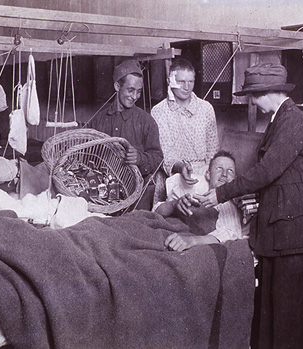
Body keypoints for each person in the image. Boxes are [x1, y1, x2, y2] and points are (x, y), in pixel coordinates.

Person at [196, 63, 303, 348]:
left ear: (267, 92)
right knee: (281, 302)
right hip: (283, 222)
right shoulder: (279, 119)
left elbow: (266, 171)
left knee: (297, 307)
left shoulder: (292, 120)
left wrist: (220, 193)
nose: (251, 101)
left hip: (299, 227)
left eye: (253, 95)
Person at [87, 59, 163, 210]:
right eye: (130, 90)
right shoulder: (97, 121)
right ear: (117, 86)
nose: (135, 96)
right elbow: (86, 157)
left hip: (137, 199)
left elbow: (158, 158)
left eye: (139, 91)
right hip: (103, 198)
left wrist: (140, 158)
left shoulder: (147, 122)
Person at [155, 150, 249, 252]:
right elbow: (156, 212)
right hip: (165, 232)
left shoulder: (228, 205)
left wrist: (191, 241)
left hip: (184, 243)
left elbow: (229, 234)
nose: (224, 174)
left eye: (230, 170)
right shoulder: (191, 193)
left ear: (235, 180)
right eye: (219, 168)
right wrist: (174, 205)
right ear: (208, 175)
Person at [151, 58, 219, 197]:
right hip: (172, 176)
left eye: (191, 81)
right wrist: (181, 167)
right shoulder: (159, 111)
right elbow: (165, 154)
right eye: (181, 82)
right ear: (169, 81)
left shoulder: (206, 108)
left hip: (203, 176)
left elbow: (213, 150)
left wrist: (209, 174)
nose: (186, 87)